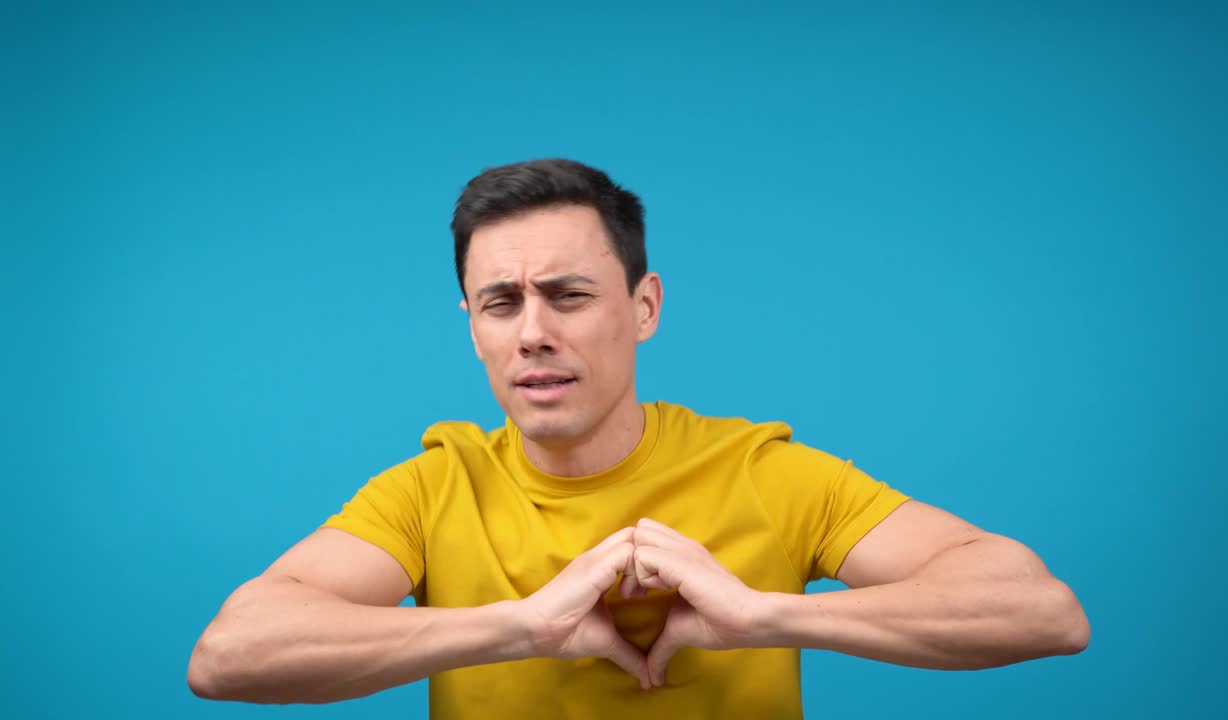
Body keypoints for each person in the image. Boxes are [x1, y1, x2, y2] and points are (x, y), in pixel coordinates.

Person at [187, 158, 1090, 718]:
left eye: (569, 296)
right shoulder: (435, 488)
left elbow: (1041, 611)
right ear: (473, 325)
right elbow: (230, 656)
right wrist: (522, 627)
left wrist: (764, 616)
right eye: (501, 303)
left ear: (644, 307)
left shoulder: (761, 472)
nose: (533, 331)